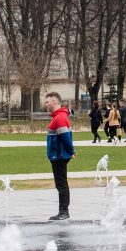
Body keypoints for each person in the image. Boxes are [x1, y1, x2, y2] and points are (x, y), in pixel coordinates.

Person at [44, 91, 75, 220]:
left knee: (61, 184)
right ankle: (63, 211)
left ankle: (63, 212)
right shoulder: (58, 116)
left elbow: (65, 137)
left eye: (47, 101)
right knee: (62, 183)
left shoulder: (60, 117)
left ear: (54, 102)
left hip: (59, 156)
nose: (46, 104)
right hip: (58, 155)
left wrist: (71, 151)